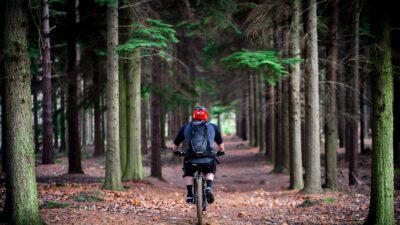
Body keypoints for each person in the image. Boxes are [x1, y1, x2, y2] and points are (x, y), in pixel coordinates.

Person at [172, 106, 225, 204]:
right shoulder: (213, 127)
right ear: (206, 116)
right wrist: (221, 152)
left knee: (188, 172)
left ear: (194, 116)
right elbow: (221, 146)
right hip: (208, 158)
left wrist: (176, 151)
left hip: (191, 158)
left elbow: (175, 144)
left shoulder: (186, 127)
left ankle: (189, 195)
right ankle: (208, 187)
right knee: (210, 169)